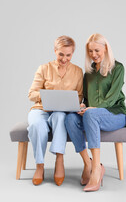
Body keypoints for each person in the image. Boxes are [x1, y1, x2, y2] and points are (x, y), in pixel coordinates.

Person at [65, 33, 126, 192]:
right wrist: (82, 107)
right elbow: (87, 100)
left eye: (97, 50)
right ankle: (87, 163)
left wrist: (92, 110)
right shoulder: (88, 73)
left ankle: (96, 169)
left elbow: (112, 98)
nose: (93, 54)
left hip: (115, 114)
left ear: (106, 48)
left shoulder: (118, 68)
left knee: (91, 114)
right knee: (70, 119)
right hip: (92, 115)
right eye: (90, 51)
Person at [28, 35, 83, 186]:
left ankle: (60, 159)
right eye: (61, 54)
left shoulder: (78, 72)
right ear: (55, 51)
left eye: (68, 55)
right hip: (41, 109)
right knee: (36, 125)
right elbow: (31, 94)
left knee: (60, 117)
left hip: (61, 111)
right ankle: (40, 165)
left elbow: (79, 97)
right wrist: (46, 96)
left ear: (72, 54)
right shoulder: (44, 68)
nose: (64, 58)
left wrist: (71, 103)